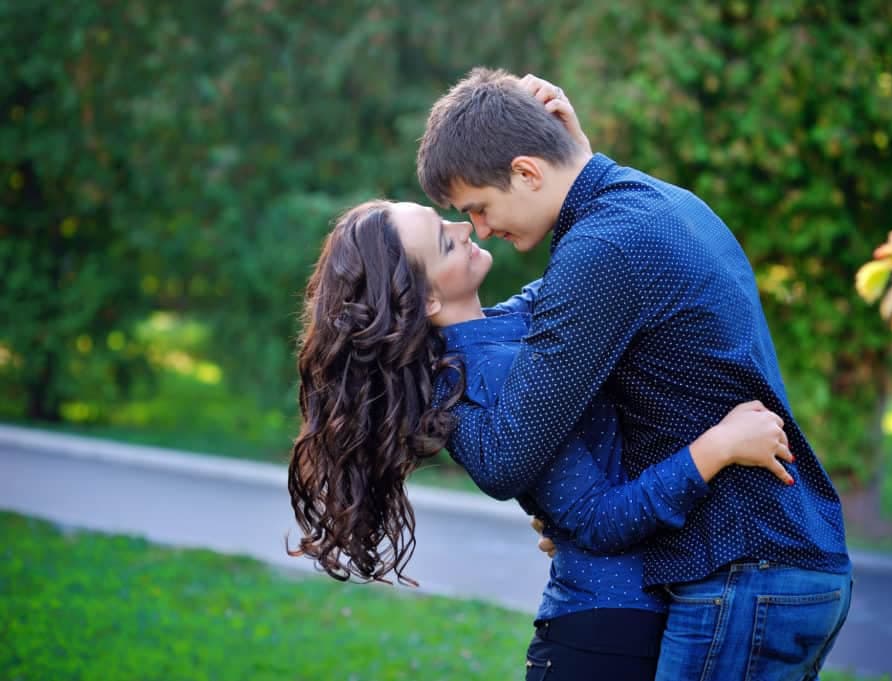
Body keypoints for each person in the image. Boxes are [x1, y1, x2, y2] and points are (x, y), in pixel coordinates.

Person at [416, 68, 853, 681]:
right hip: (778, 562)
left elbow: (508, 457)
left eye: (480, 208)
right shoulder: (654, 204)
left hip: (743, 569)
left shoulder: (602, 252)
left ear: (527, 172)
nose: (482, 229)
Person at [287, 199, 796, 680]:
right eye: (444, 241)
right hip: (606, 633)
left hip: (620, 620)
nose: (465, 227)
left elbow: (581, 273)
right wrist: (719, 448)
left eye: (447, 219)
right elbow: (598, 520)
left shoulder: (506, 328)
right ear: (429, 299)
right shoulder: (482, 379)